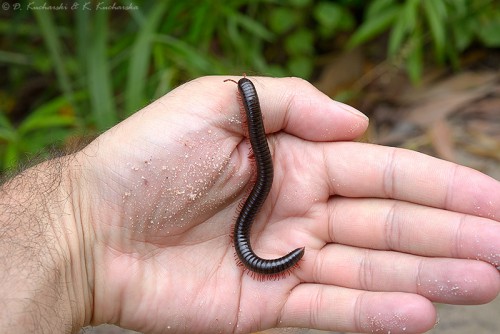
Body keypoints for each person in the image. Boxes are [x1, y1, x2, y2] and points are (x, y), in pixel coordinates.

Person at [0, 76, 498, 334]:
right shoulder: (248, 123)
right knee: (253, 224)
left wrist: (71, 224)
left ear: (246, 109)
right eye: (248, 96)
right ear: (250, 108)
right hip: (254, 249)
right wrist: (76, 218)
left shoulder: (253, 122)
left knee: (254, 219)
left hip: (257, 248)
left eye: (246, 98)